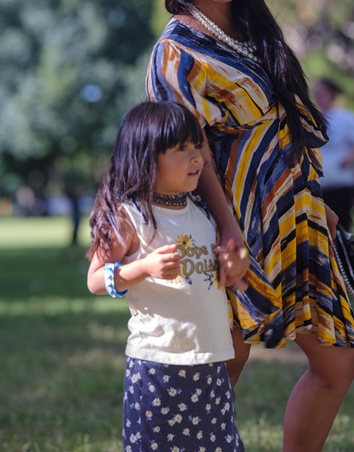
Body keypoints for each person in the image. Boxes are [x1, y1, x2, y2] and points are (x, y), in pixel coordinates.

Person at [147, 0, 354, 452]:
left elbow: (285, 130)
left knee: (339, 361)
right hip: (233, 230)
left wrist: (315, 199)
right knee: (220, 375)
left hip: (296, 216)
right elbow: (189, 156)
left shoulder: (254, 31)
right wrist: (229, 231)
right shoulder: (175, 53)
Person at [86, 101, 246, 451]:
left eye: (196, 147)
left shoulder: (202, 213)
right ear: (147, 158)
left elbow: (227, 276)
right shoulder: (131, 216)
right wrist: (142, 268)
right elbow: (95, 279)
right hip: (158, 365)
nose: (196, 158)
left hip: (211, 360)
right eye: (181, 149)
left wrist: (235, 268)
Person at [312, 77, 354, 233]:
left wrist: (349, 158)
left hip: (340, 185)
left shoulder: (344, 117)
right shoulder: (316, 119)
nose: (317, 97)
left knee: (340, 231)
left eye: (320, 93)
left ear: (331, 94)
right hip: (320, 186)